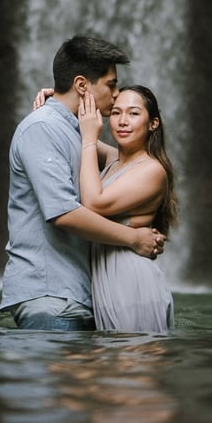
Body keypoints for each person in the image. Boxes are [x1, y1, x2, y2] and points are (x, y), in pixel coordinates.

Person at [0, 35, 166, 331]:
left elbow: (132, 165)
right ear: (82, 85)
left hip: (81, 297)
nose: (116, 95)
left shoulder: (76, 130)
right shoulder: (43, 128)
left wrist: (64, 101)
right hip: (51, 297)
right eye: (111, 84)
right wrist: (134, 238)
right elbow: (64, 213)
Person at [78, 83, 177, 333]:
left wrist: (90, 140)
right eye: (116, 113)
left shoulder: (152, 170)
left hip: (132, 282)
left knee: (135, 366)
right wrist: (57, 96)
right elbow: (73, 123)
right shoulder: (114, 162)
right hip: (107, 279)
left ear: (153, 123)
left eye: (133, 113)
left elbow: (94, 203)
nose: (123, 121)